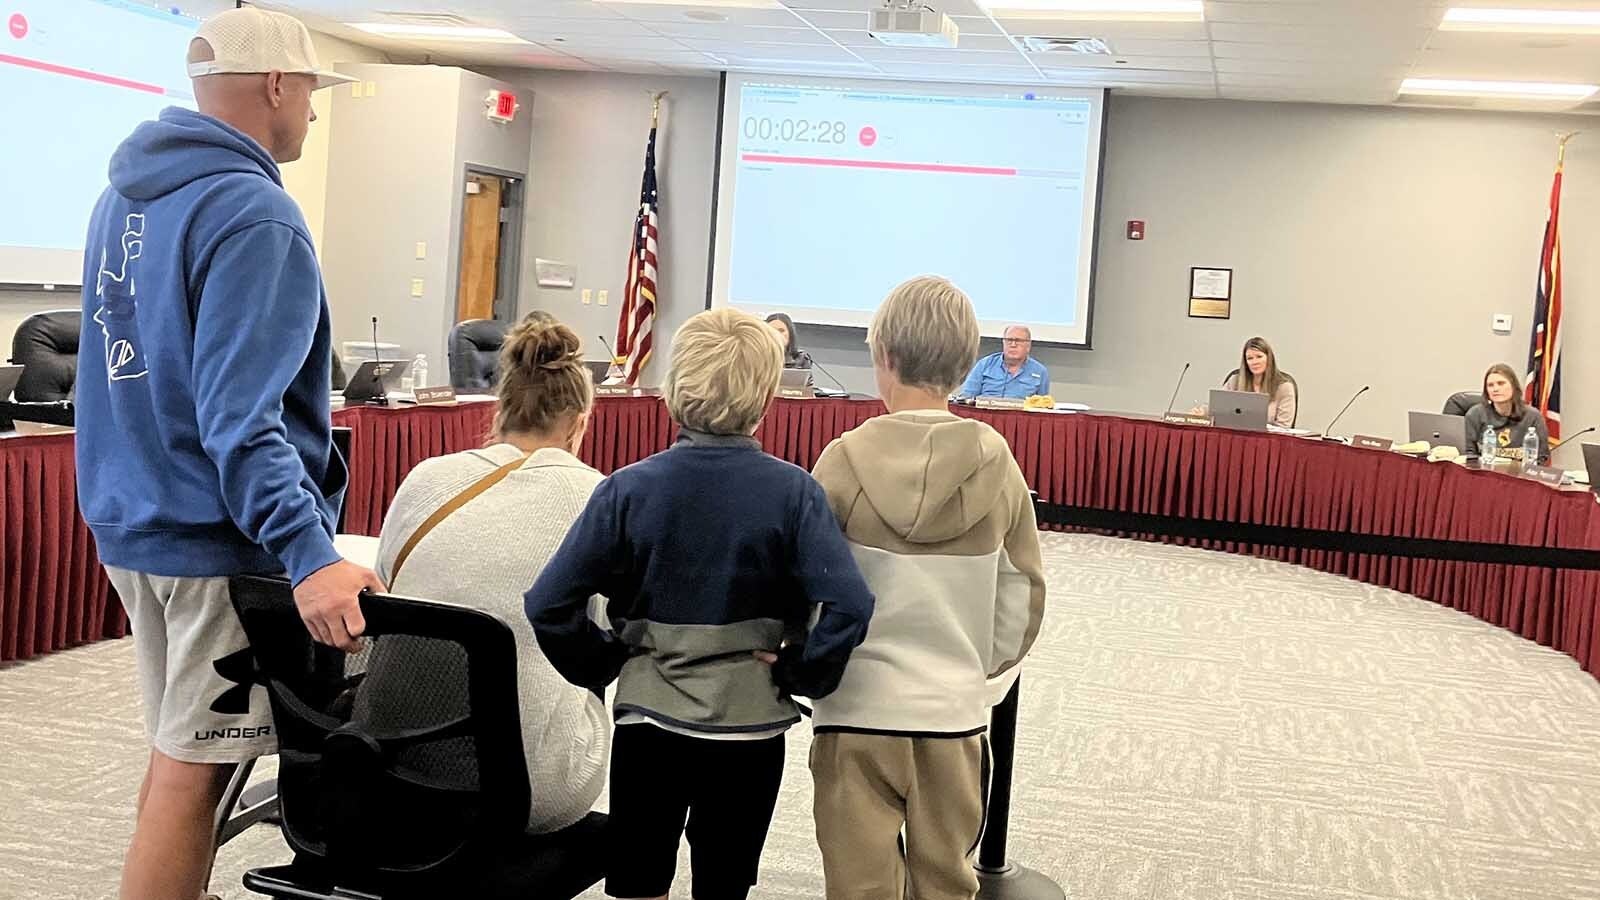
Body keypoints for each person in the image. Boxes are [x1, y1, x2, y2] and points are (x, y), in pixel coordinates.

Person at [72, 9, 375, 900]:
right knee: (191, 776)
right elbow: (243, 421)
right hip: (214, 542)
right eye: (312, 89)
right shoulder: (256, 214)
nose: (314, 111)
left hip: (134, 522)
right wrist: (311, 554)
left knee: (176, 757)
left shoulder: (124, 195)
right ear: (278, 84)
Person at [525, 307, 875, 900]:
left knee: (636, 881)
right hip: (750, 730)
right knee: (725, 882)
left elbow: (548, 603)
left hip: (648, 723)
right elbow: (851, 604)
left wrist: (604, 665)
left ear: (670, 391)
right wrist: (801, 673)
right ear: (768, 397)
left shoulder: (627, 488)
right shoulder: (796, 492)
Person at [808, 275, 1047, 900]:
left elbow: (803, 587)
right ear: (969, 363)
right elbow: (1022, 594)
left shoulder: (841, 458)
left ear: (883, 358)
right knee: (947, 882)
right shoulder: (998, 463)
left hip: (855, 715)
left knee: (857, 885)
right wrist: (978, 671)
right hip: (955, 716)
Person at [371, 315, 608, 833]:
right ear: (579, 422)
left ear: (499, 409)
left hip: (383, 762)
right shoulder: (595, 496)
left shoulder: (425, 477)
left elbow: (385, 594)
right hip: (525, 790)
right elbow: (609, 636)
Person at [1465, 362, 1550, 464]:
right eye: (1490, 385)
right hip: (1485, 475)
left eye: (1501, 383)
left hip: (1519, 476)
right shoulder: (1475, 414)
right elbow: (1469, 455)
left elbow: (1541, 457)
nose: (1495, 389)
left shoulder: (1533, 417)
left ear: (1513, 386)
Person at [957, 324, 1050, 399]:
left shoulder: (1040, 371)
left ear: (1028, 345)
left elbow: (1042, 407)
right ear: (1003, 342)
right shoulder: (984, 364)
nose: (1013, 345)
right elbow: (966, 398)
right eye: (1009, 340)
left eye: (1018, 341)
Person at [1223, 336, 1296, 428]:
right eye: (1250, 358)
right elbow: (1217, 410)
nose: (1254, 362)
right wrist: (1201, 412)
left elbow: (1284, 427)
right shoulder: (1234, 381)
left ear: (1269, 358)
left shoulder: (1284, 387)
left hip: (1269, 440)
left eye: (1259, 356)